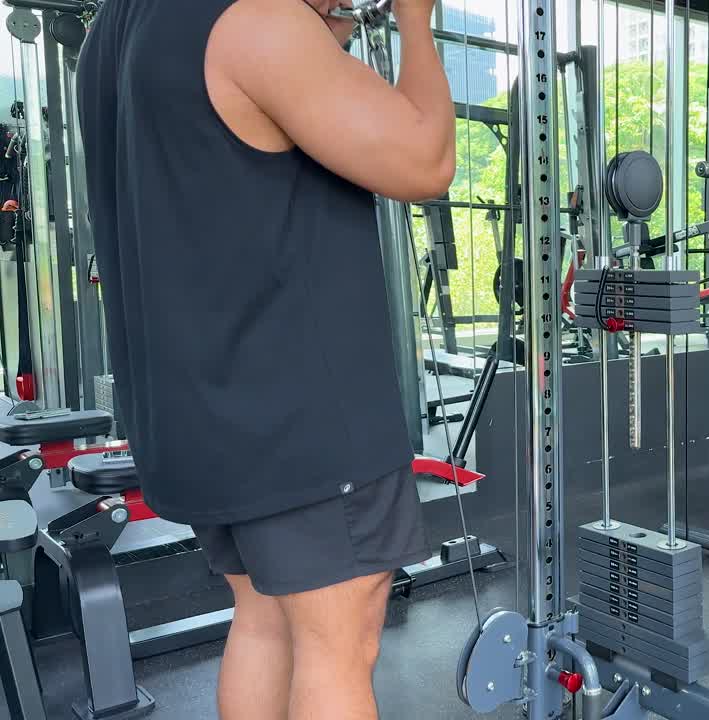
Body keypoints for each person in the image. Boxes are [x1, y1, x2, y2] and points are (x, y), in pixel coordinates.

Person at [77, 1, 455, 718]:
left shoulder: (115, 31)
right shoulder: (256, 20)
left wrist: (320, 33)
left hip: (202, 415)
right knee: (340, 645)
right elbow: (425, 158)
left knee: (266, 622)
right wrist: (414, 19)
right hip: (300, 425)